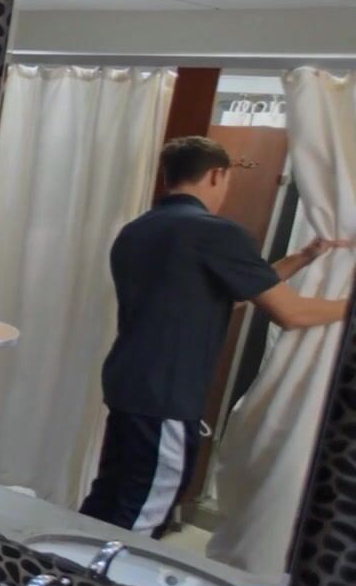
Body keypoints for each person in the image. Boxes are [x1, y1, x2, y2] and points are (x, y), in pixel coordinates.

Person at [80, 136, 350, 537]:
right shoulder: (215, 232)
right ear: (216, 175)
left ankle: (60, 567)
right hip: (165, 396)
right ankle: (103, 579)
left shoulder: (138, 230)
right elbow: (292, 314)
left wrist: (302, 258)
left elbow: (227, 297)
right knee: (141, 515)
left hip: (127, 385)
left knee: (107, 499)